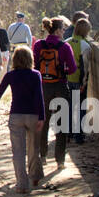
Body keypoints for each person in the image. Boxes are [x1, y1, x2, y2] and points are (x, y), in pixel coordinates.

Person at [0, 46, 46, 193]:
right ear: (30, 59)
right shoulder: (36, 75)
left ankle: (22, 184)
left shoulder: (11, 75)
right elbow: (39, 97)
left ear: (15, 59)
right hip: (33, 115)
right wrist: (42, 116)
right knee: (34, 148)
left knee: (18, 151)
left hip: (16, 114)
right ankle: (35, 176)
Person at [33, 16, 78, 170]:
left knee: (43, 122)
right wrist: (63, 69)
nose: (64, 32)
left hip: (43, 87)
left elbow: (35, 65)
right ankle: (60, 160)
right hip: (60, 86)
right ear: (58, 30)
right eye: (63, 29)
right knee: (61, 123)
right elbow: (72, 69)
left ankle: (43, 156)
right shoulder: (64, 47)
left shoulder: (39, 44)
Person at [66, 17, 92, 142]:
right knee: (81, 107)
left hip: (67, 79)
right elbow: (85, 68)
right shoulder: (85, 46)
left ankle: (69, 132)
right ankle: (79, 135)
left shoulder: (67, 42)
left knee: (70, 106)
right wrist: (84, 83)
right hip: (78, 80)